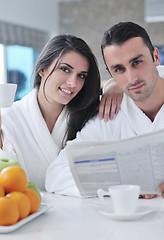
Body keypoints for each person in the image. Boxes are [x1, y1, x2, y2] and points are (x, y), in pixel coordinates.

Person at [45, 22, 164, 198]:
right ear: (110, 73)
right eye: (119, 69)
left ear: (155, 56)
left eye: (137, 62)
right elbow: (56, 175)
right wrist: (126, 184)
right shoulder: (109, 116)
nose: (132, 78)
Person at [0, 34, 115, 190]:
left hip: (81, 210)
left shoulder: (89, 115)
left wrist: (115, 85)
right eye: (65, 69)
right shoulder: (8, 118)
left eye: (81, 76)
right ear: (42, 69)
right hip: (27, 209)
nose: (73, 83)